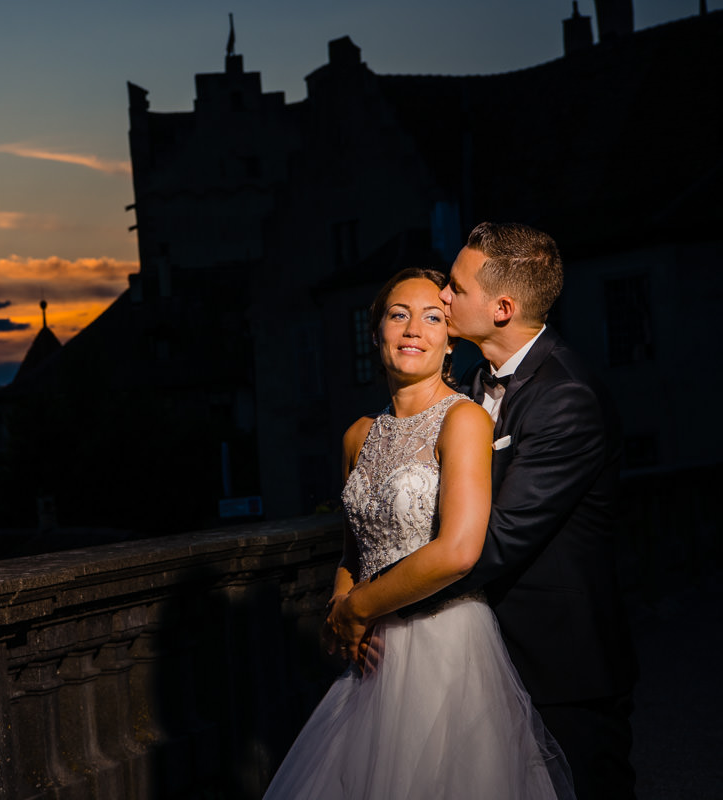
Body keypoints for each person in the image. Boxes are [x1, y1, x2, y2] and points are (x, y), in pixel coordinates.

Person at [333, 223, 638, 799]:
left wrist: (368, 605)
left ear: (501, 309)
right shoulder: (470, 386)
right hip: (474, 651)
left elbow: (493, 541)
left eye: (454, 287)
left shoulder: (566, 397)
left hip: (557, 659)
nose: (443, 296)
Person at [263, 268, 573, 799]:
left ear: (450, 340)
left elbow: (459, 551)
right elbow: (353, 551)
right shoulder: (358, 435)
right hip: (371, 658)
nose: (413, 329)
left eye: (432, 317)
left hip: (442, 643)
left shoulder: (464, 420)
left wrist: (357, 609)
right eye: (398, 315)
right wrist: (341, 600)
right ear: (376, 332)